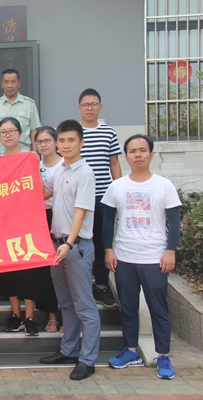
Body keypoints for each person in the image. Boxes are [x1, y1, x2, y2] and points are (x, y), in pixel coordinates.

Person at [102, 134, 181, 380]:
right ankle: (131, 350)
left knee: (159, 309)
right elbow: (107, 222)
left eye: (143, 150)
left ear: (151, 154)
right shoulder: (117, 186)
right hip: (124, 257)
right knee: (128, 308)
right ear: (126, 156)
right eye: (133, 151)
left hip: (154, 258)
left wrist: (170, 250)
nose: (138, 154)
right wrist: (108, 250)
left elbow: (175, 222)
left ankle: (163, 355)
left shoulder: (164, 185)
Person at [40, 119, 100, 381]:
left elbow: (80, 212)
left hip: (75, 247)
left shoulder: (85, 173)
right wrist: (23, 169)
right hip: (57, 245)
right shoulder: (59, 171)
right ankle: (69, 350)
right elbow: (42, 194)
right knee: (65, 303)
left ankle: (88, 360)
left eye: (71, 140)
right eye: (61, 140)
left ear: (81, 143)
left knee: (84, 305)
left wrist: (68, 243)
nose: (65, 145)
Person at [0, 117, 42, 336]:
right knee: (6, 272)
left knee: (27, 271)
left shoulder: (30, 157)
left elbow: (39, 187)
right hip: (2, 224)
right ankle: (16, 314)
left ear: (20, 133)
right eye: (3, 132)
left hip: (26, 223)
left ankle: (30, 316)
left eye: (11, 131)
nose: (8, 135)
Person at [78, 88, 122, 308]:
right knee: (81, 242)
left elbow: (114, 162)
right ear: (79, 108)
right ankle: (83, 286)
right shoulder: (73, 133)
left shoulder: (108, 132)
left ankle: (102, 286)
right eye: (86, 105)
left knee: (103, 242)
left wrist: (119, 191)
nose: (90, 108)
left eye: (93, 104)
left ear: (100, 107)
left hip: (104, 197)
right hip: (79, 199)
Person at [35, 126, 63, 333]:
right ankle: (52, 316)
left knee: (65, 268)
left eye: (47, 140)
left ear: (56, 142)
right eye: (39, 141)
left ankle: (69, 318)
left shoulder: (66, 164)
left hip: (63, 218)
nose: (43, 145)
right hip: (40, 217)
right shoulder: (33, 165)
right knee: (46, 271)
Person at [0, 69, 41, 155]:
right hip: (0, 153)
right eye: (6, 82)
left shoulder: (29, 104)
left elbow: (34, 130)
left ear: (19, 83)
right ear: (2, 84)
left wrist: (34, 153)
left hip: (23, 153)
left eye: (13, 82)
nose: (9, 85)